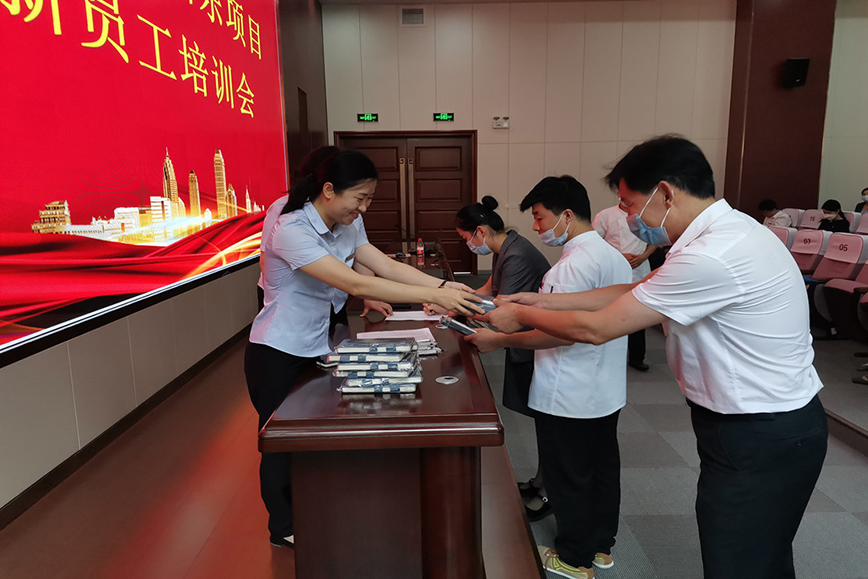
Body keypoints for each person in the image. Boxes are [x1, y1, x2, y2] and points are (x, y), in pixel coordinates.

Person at [483, 136, 827, 579]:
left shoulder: (712, 254)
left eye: (628, 204)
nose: (626, 217)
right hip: (765, 423)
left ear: (665, 193)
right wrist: (542, 301)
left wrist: (519, 316)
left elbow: (596, 328)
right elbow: (635, 290)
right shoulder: (726, 233)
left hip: (760, 430)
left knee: (740, 560)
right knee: (760, 555)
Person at [245, 150, 481, 548]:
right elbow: (356, 284)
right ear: (328, 189)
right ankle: (282, 526)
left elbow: (385, 266)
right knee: (280, 443)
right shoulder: (290, 226)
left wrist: (443, 286)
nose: (365, 208)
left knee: (315, 436)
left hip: (318, 342)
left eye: (370, 198)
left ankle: (315, 509)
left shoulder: (346, 222)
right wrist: (433, 294)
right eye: (360, 198)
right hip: (278, 351)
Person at [466, 176, 630, 579]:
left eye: (540, 218)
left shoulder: (571, 266)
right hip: (605, 388)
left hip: (568, 389)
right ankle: (601, 547)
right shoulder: (614, 258)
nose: (536, 227)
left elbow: (559, 333)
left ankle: (574, 558)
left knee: (568, 474)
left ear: (567, 215)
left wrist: (499, 340)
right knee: (602, 469)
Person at [450, 195, 551, 519]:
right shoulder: (506, 247)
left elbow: (500, 311)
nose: (468, 245)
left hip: (534, 341)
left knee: (548, 421)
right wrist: (453, 301)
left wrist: (456, 308)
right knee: (543, 418)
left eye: (466, 238)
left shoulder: (516, 254)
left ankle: (547, 489)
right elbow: (487, 291)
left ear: (479, 231)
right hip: (526, 339)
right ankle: (541, 481)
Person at [257, 146, 392, 319]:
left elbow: (372, 261)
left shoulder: (348, 215)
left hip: (336, 296)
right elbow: (266, 261)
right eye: (359, 198)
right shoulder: (287, 217)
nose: (363, 208)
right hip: (296, 304)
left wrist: (369, 296)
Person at [593, 200, 656, 371]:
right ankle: (609, 355)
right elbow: (594, 242)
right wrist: (619, 255)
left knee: (639, 313)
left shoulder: (646, 213)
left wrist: (643, 256)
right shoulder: (605, 215)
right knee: (612, 313)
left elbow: (655, 240)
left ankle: (637, 357)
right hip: (615, 267)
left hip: (640, 267)